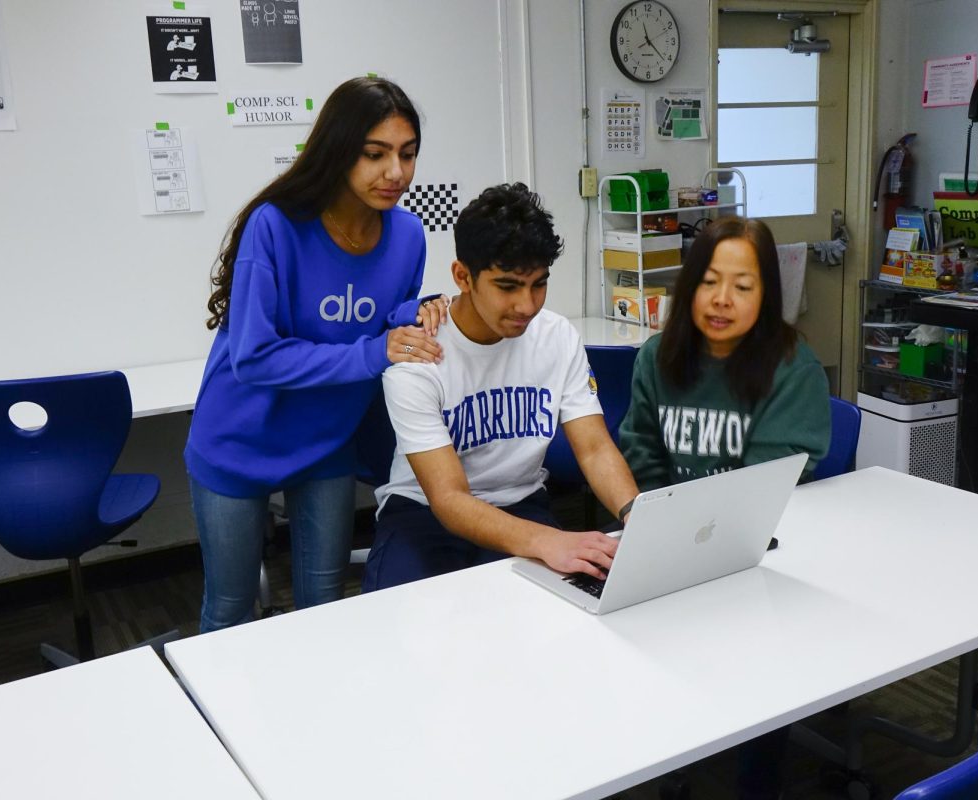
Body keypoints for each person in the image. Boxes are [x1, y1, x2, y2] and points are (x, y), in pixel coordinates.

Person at [185, 77, 448, 633]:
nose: (395, 173)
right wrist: (374, 351)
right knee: (230, 609)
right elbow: (253, 358)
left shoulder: (408, 234)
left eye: (407, 154)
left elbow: (384, 318)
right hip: (240, 438)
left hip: (327, 439)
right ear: (337, 151)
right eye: (374, 154)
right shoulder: (277, 225)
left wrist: (416, 314)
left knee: (324, 604)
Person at [618, 215, 830, 800]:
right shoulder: (658, 357)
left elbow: (758, 486)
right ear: (689, 287)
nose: (722, 300)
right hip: (670, 543)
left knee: (758, 671)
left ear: (768, 294)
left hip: (755, 550)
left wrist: (696, 537)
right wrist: (651, 522)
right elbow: (640, 449)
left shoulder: (791, 368)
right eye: (710, 281)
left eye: (743, 285)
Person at [362, 183, 639, 592]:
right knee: (408, 627)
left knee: (566, 615)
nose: (527, 305)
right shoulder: (419, 351)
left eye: (539, 284)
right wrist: (547, 541)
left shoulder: (557, 337)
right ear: (463, 276)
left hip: (522, 503)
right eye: (508, 286)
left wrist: (635, 516)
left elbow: (595, 448)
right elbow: (450, 499)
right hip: (424, 514)